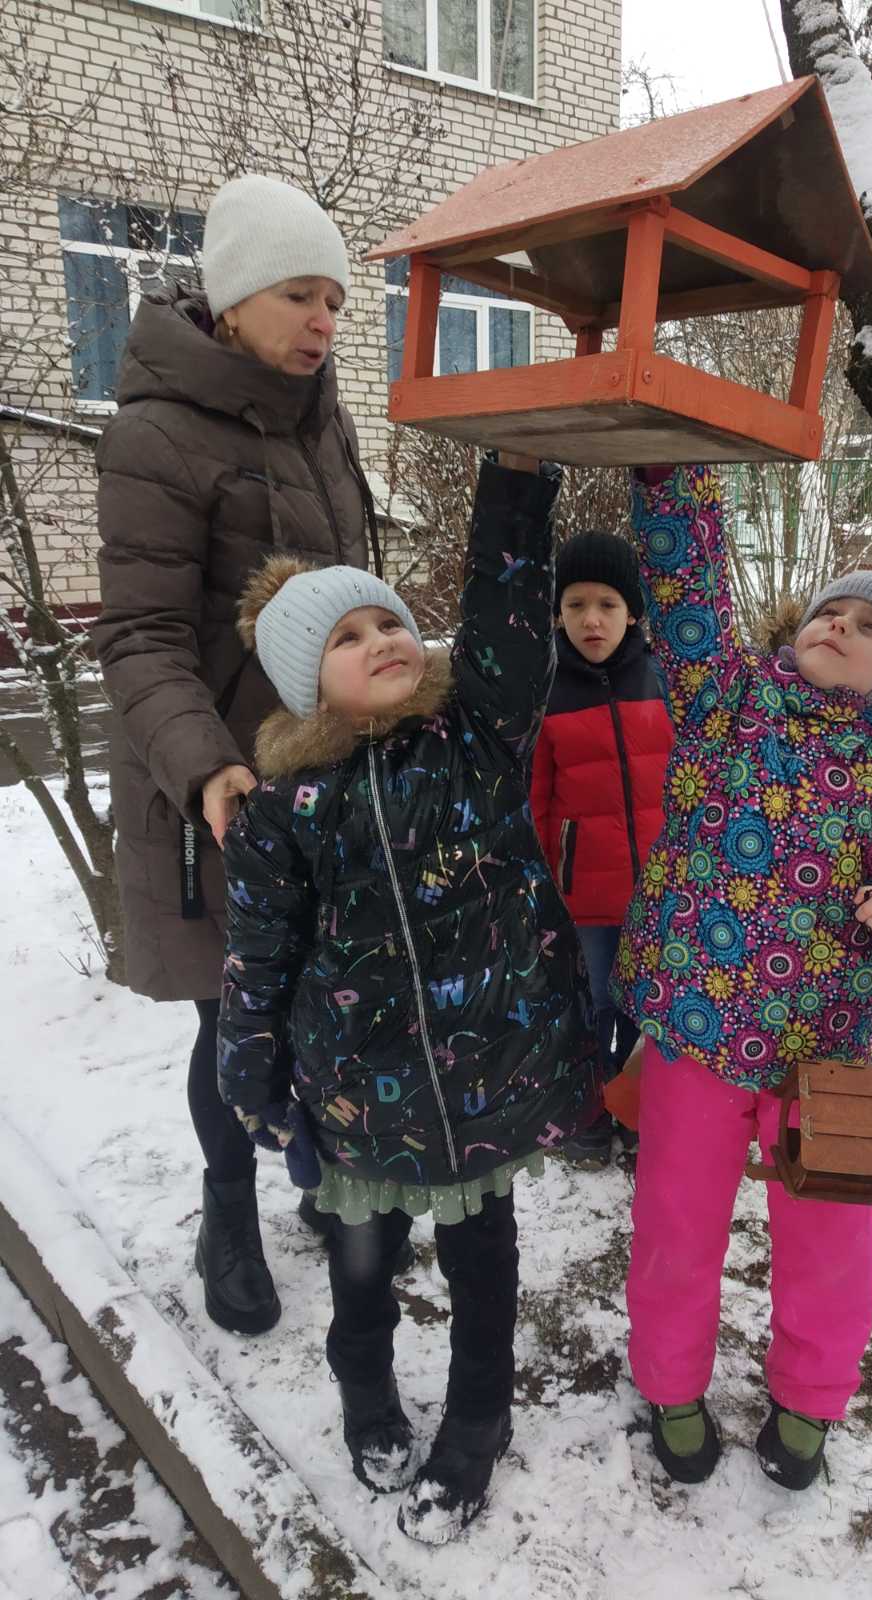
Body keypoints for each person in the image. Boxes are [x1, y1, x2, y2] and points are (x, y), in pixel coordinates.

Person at [216, 454, 601, 1544]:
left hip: (490, 1084)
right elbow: (257, 956)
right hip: (357, 1101)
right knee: (361, 1271)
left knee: (484, 1269)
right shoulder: (285, 808)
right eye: (346, 637)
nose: (382, 640)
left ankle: (478, 1417)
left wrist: (513, 488)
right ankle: (368, 1396)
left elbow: (508, 631)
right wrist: (253, 1076)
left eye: (389, 622)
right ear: (305, 683)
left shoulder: (477, 741)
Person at [611, 464, 872, 1491]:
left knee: (830, 1242)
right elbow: (686, 597)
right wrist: (672, 478)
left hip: (826, 1055)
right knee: (677, 1226)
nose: (840, 624)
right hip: (698, 1031)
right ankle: (672, 1386)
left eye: (871, 627)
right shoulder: (727, 704)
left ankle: (811, 1399)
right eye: (831, 611)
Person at [92, 175, 381, 1338]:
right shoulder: (156, 433)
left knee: (326, 992)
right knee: (235, 1012)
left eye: (336, 301)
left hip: (326, 777)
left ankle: (315, 1163)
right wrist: (207, 765)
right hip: (216, 785)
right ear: (235, 296)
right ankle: (228, 1210)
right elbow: (140, 636)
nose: (324, 320)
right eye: (302, 295)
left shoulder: (322, 418)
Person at [530, 531, 674, 1167]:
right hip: (583, 893)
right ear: (558, 613)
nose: (592, 619)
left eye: (608, 604)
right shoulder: (547, 688)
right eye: (576, 605)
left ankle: (639, 1112)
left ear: (633, 612)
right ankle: (590, 1110)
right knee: (592, 1004)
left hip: (659, 891)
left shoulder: (662, 679)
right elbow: (537, 800)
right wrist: (543, 881)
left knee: (649, 1003)